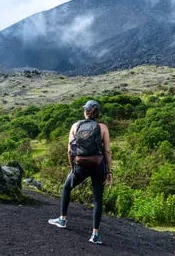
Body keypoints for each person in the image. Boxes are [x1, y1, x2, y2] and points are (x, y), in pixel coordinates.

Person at [48, 100, 113, 244]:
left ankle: (62, 219)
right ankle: (95, 235)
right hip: (98, 165)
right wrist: (109, 171)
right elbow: (107, 150)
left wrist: (73, 169)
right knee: (97, 199)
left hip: (80, 165)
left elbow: (70, 150)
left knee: (66, 188)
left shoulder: (75, 126)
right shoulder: (103, 127)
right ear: (97, 113)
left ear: (86, 112)